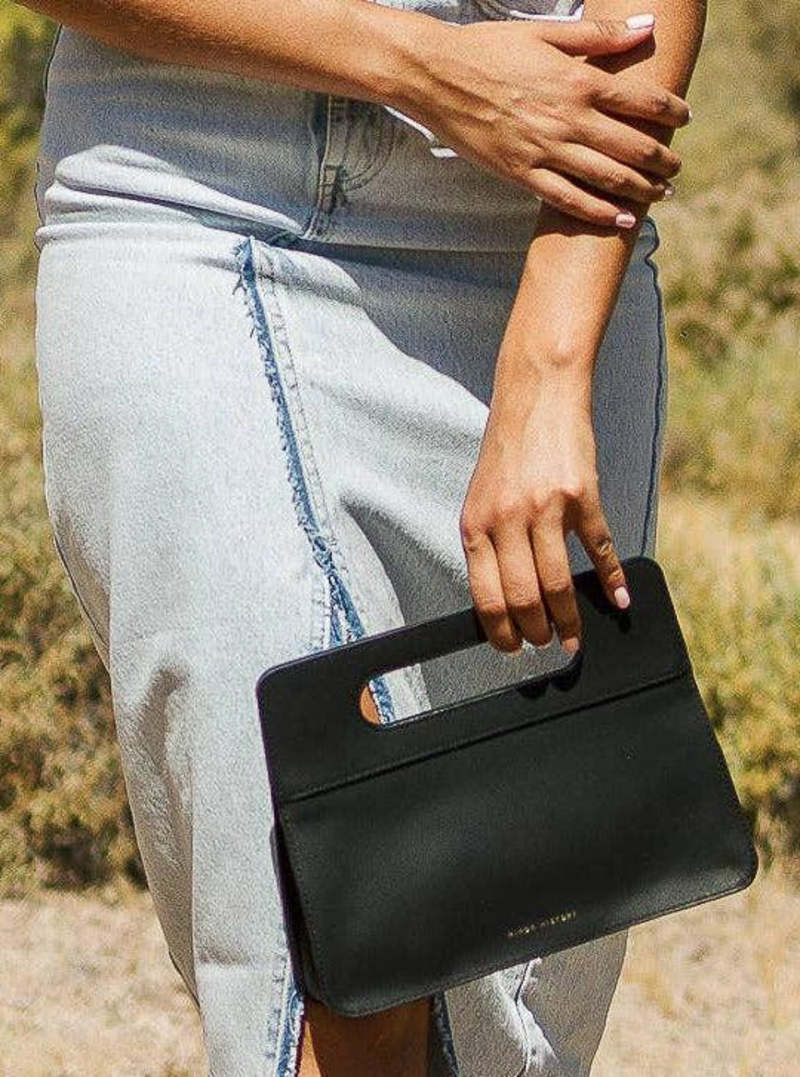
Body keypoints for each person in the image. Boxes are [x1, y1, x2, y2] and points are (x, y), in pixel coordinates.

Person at [27, 0, 703, 1073]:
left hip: (544, 220)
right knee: (342, 926)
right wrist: (424, 67)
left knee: (507, 982)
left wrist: (548, 359)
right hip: (195, 193)